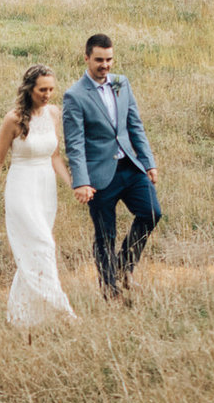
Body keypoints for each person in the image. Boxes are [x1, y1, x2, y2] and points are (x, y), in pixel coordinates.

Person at [0, 63, 77, 327]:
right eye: (42, 89)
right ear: (29, 89)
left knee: (32, 252)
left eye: (51, 89)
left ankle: (23, 316)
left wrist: (72, 184)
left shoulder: (54, 113)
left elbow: (54, 156)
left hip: (46, 188)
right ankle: (63, 311)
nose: (47, 94)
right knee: (44, 246)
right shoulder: (14, 119)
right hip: (21, 187)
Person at [61, 34, 160, 299]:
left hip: (130, 166)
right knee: (106, 236)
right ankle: (110, 290)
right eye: (99, 60)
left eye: (109, 59)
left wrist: (148, 162)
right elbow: (75, 143)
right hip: (99, 176)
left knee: (152, 213)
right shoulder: (75, 95)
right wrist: (80, 181)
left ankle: (123, 266)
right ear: (86, 58)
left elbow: (134, 125)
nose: (105, 65)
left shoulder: (121, 83)